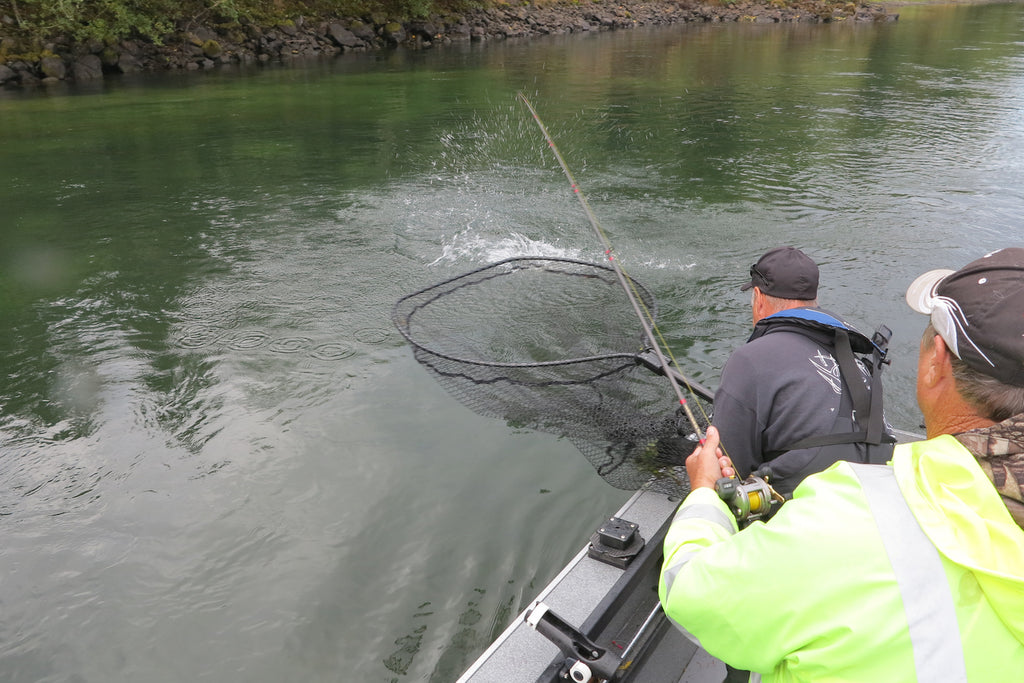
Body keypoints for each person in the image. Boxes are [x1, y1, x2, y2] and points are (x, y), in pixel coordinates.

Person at [660, 248, 1024, 682]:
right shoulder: (857, 350)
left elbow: (691, 590)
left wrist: (703, 491)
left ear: (936, 361)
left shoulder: (842, 520)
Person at [713, 246, 894, 497]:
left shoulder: (749, 360)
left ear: (759, 297)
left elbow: (728, 466)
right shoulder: (851, 352)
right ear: (813, 300)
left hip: (803, 514)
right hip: (881, 494)